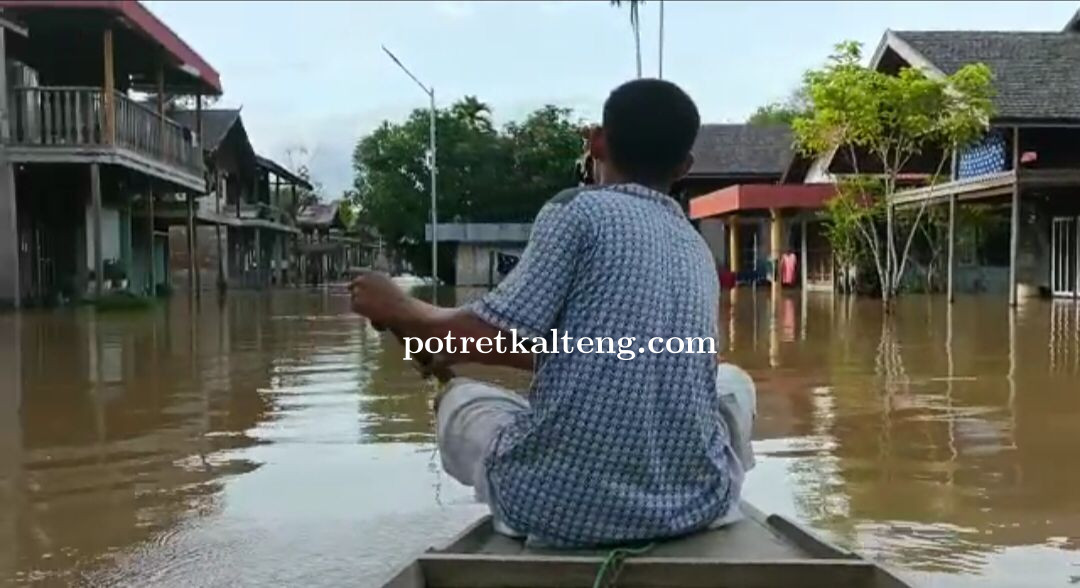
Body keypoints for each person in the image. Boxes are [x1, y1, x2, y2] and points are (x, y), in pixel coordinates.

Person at [349, 79, 756, 548]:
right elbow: (617, 354)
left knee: (460, 401)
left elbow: (480, 335)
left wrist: (400, 307)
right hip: (695, 505)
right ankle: (688, 486)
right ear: (684, 167)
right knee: (733, 382)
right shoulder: (697, 249)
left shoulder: (575, 212)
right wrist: (423, 325)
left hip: (555, 508)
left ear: (598, 142)